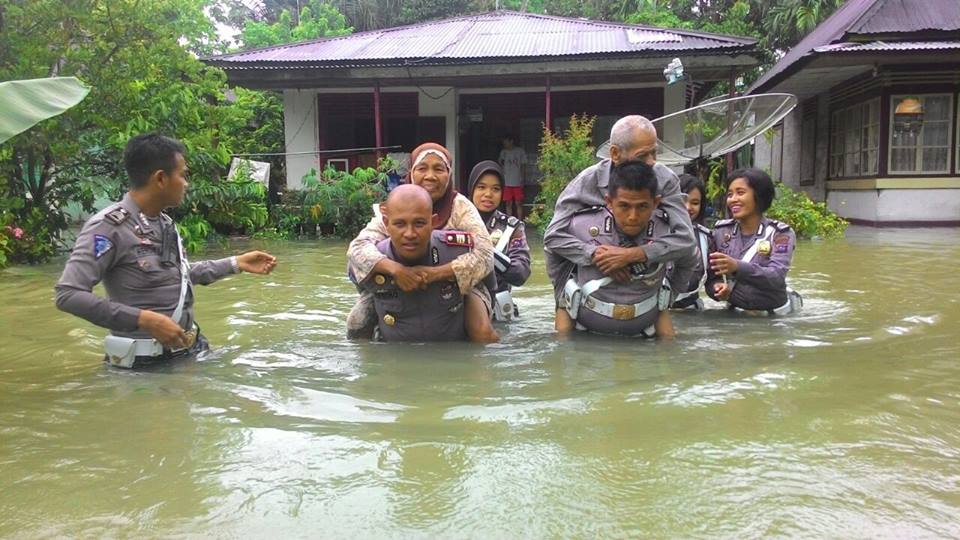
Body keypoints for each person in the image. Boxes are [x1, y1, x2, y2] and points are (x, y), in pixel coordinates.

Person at [55, 134, 278, 368]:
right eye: (183, 175)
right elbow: (68, 294)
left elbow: (176, 276)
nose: (186, 183)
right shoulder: (109, 227)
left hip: (189, 350)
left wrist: (235, 263)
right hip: (143, 365)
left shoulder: (164, 223)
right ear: (161, 178)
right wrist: (144, 320)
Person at [543, 115, 696, 332]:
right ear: (615, 154)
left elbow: (686, 242)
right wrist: (598, 256)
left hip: (645, 282)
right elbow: (553, 237)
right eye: (643, 155)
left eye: (655, 152)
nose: (653, 162)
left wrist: (631, 257)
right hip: (589, 285)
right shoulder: (586, 182)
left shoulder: (665, 179)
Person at [347, 142, 498, 342]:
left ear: (449, 174)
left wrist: (434, 274)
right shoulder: (397, 205)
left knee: (481, 331)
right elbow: (357, 249)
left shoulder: (460, 207)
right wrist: (396, 270)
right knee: (356, 322)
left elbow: (485, 256)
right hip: (397, 280)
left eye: (438, 169)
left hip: (454, 281)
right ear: (411, 172)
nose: (430, 176)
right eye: (422, 168)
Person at [360, 184, 478, 341]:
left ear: (434, 222)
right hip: (395, 358)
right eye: (400, 224)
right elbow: (360, 286)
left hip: (453, 356)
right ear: (386, 224)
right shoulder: (372, 259)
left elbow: (488, 282)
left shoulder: (457, 252)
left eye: (419, 224)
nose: (410, 234)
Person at [705, 168, 802, 315]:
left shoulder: (780, 233)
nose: (733, 199)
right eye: (730, 194)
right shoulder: (721, 232)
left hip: (773, 319)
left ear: (759, 195)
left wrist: (737, 267)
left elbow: (776, 277)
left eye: (740, 192)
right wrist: (717, 289)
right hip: (735, 315)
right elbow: (711, 277)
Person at [467, 160, 531, 321]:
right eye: (481, 187)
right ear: (471, 189)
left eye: (495, 189)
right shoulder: (455, 223)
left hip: (499, 314)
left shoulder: (511, 228)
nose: (488, 194)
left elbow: (520, 273)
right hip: (461, 310)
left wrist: (486, 251)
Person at [670, 173, 712, 310]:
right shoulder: (653, 233)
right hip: (657, 311)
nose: (688, 207)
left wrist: (718, 287)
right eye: (682, 201)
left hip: (692, 311)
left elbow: (712, 277)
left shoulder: (707, 238)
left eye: (695, 203)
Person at [498, 135, 527, 220]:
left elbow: (523, 165)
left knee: (518, 203)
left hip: (517, 180)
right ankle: (510, 221)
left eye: (506, 142)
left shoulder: (520, 151)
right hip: (507, 181)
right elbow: (500, 162)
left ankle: (520, 220)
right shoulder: (503, 152)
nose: (505, 144)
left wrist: (522, 178)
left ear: (511, 141)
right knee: (508, 203)